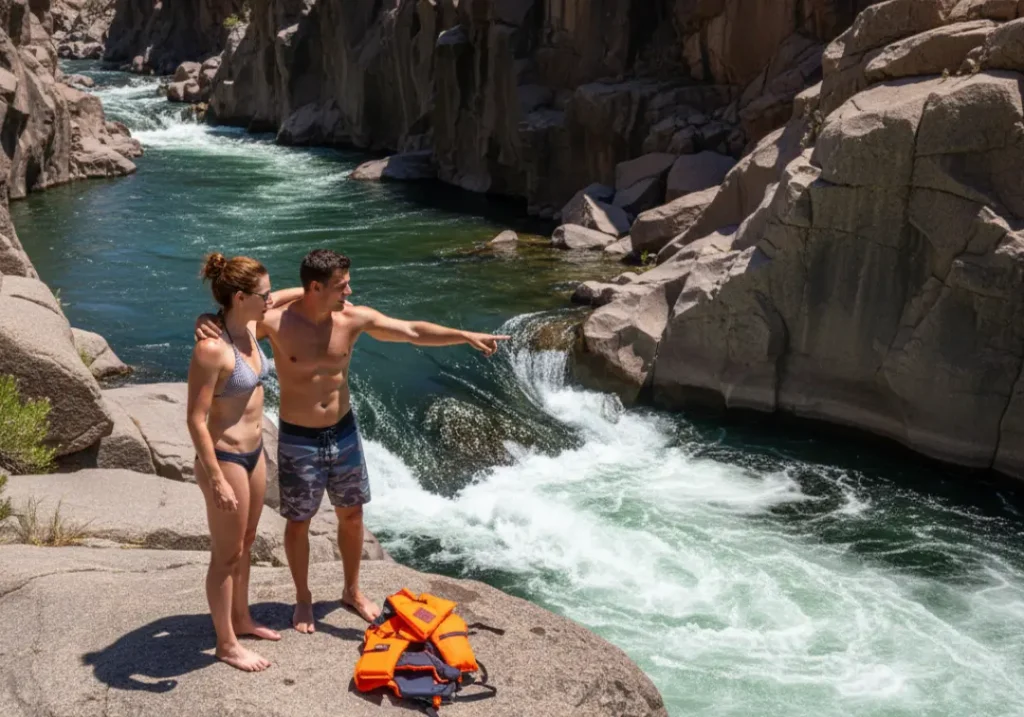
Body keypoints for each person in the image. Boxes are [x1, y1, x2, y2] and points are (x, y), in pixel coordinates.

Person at [196, 248, 509, 632]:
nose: (350, 290)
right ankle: (303, 598)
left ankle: (352, 590)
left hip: (342, 432)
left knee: (353, 514)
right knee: (299, 522)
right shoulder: (273, 321)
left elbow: (411, 330)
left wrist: (463, 335)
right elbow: (231, 324)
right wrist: (206, 320)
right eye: (342, 285)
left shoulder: (353, 319)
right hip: (298, 438)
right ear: (316, 287)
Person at [186, 253, 303, 672]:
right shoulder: (210, 349)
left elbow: (288, 296)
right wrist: (215, 478)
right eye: (264, 295)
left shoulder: (251, 326)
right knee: (226, 554)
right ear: (240, 297)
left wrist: (317, 290)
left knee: (248, 541)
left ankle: (241, 618)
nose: (271, 300)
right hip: (225, 458)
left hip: (255, 454)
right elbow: (196, 420)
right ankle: (226, 644)